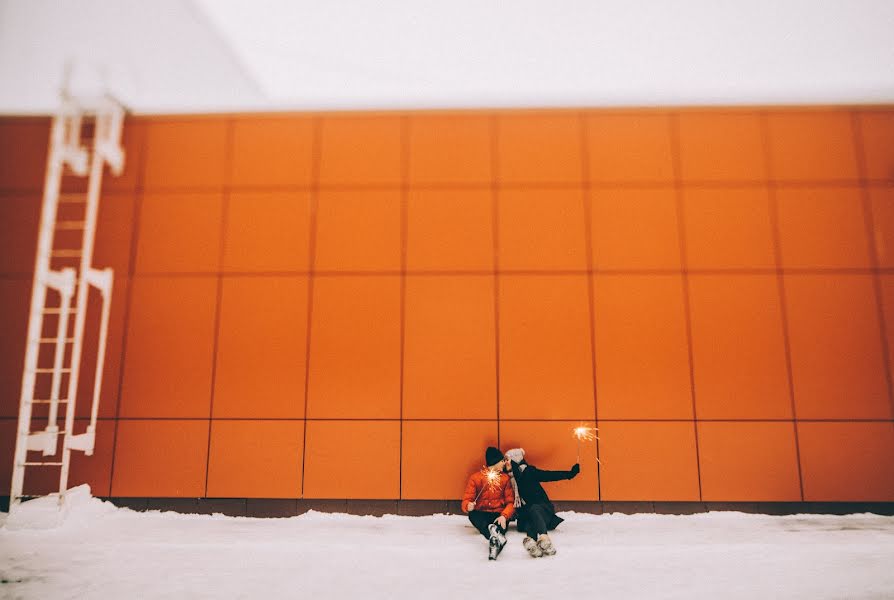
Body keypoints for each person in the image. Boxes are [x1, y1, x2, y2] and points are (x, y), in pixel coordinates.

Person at [504, 447, 579, 558]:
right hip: (527, 516)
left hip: (544, 511)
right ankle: (532, 544)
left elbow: (550, 475)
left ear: (515, 460)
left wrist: (570, 474)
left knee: (534, 508)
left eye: (507, 459)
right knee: (530, 513)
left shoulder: (529, 472)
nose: (505, 462)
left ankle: (544, 539)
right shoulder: (508, 478)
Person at [462, 446, 516, 560]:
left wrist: (504, 516)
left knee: (500, 525)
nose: (503, 464)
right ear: (495, 462)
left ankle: (493, 542)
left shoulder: (505, 479)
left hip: (498, 515)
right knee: (473, 515)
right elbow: (466, 500)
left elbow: (511, 502)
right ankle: (495, 536)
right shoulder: (476, 478)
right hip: (482, 514)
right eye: (502, 461)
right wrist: (468, 506)